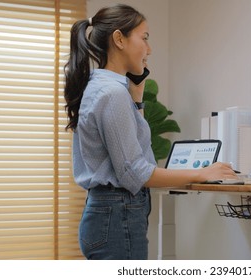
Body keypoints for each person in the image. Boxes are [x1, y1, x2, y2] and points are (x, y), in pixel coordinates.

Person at [63, 4, 237, 260]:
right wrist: (203, 172)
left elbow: (134, 154)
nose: (149, 49)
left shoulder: (103, 88)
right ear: (119, 39)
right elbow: (136, 172)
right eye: (144, 38)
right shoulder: (111, 94)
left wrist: (137, 99)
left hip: (108, 215)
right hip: (117, 215)